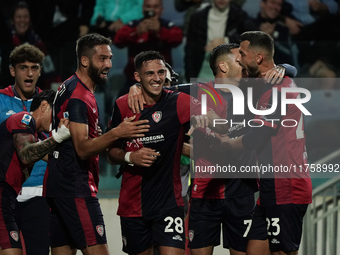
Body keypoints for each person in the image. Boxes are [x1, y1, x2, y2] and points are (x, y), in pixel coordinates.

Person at [107, 51, 224, 255]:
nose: (157, 78)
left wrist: (208, 118)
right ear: (137, 77)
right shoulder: (122, 105)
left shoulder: (178, 102)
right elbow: (111, 152)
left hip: (169, 204)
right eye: (150, 73)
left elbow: (217, 122)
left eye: (161, 72)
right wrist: (130, 157)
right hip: (133, 204)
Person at [43, 33, 150, 255]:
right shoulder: (80, 96)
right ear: (84, 60)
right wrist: (117, 133)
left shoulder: (69, 85)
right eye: (102, 59)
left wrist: (94, 133)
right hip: (75, 185)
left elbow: (73, 136)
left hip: (58, 184)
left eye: (110, 58)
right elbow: (82, 150)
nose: (108, 65)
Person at [215, 31, 311, 255]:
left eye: (242, 53)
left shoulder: (277, 90)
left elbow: (255, 138)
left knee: (283, 252)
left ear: (257, 58)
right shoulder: (276, 81)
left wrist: (226, 144)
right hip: (272, 186)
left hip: (286, 185)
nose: (238, 58)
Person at [0, 89, 71, 255]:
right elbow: (26, 155)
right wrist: (58, 138)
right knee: (12, 251)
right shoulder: (23, 118)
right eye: (57, 113)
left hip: (8, 197)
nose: (57, 120)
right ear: (44, 106)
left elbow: (55, 158)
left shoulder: (36, 137)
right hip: (2, 193)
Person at [0, 44, 51, 255]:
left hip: (38, 194)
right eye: (23, 67)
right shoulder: (0, 99)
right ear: (12, 71)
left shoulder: (50, 104)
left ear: (40, 70)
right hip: (5, 190)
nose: (29, 73)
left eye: (34, 67)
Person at [113, 0, 183, 96]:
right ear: (143, 9)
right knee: (120, 104)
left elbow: (178, 39)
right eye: (148, 6)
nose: (151, 10)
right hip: (135, 81)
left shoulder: (167, 26)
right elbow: (117, 41)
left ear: (161, 10)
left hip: (162, 81)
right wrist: (136, 32)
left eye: (155, 7)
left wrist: (160, 31)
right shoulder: (134, 26)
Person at [184, 0, 257, 81]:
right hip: (202, 68)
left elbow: (251, 38)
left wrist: (227, 40)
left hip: (231, 68)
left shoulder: (240, 16)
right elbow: (190, 51)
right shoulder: (197, 17)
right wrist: (190, 78)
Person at [0, 2, 60, 90]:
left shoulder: (38, 43)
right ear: (13, 20)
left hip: (37, 93)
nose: (22, 20)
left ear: (30, 20)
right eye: (19, 17)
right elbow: (5, 77)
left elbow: (46, 72)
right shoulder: (6, 44)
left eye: (25, 17)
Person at [255, 0, 294, 64]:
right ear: (262, 4)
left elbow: (287, 56)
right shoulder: (250, 26)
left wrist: (271, 39)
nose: (276, 7)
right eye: (273, 2)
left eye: (279, 4)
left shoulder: (283, 29)